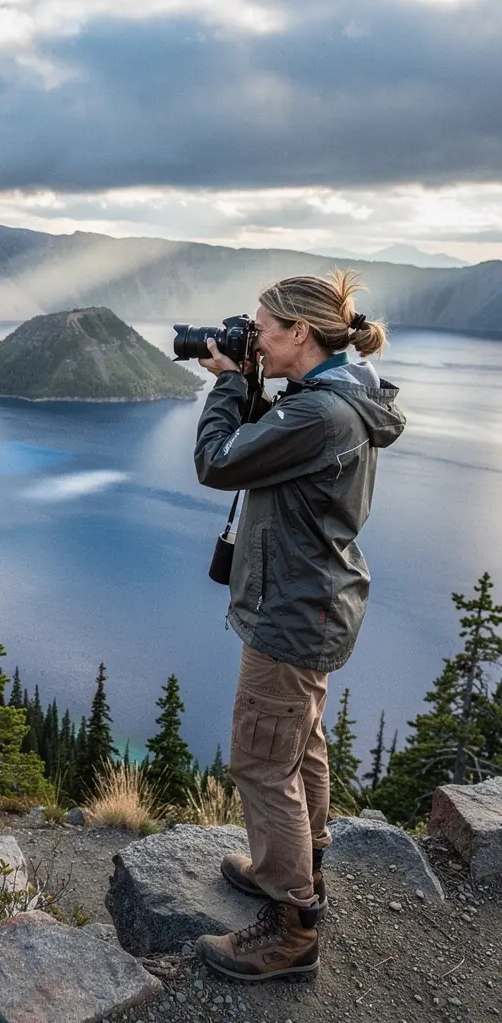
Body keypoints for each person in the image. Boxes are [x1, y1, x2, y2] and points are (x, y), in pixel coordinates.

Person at [192, 270, 406, 982]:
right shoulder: (337, 395)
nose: (251, 339)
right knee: (299, 744)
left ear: (300, 335)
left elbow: (218, 462)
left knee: (260, 757)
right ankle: (298, 866)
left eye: (261, 330)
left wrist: (227, 385)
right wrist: (250, 382)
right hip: (314, 600)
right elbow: (268, 448)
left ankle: (291, 928)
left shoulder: (319, 414)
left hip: (292, 610)